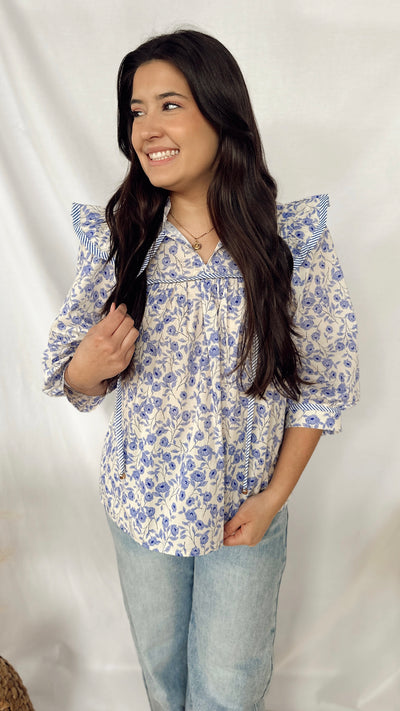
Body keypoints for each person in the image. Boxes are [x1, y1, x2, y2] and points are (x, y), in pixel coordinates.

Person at [42, 29, 359, 711]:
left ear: (221, 112)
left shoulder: (289, 243)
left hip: (244, 509)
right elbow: (71, 377)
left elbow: (325, 382)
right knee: (163, 680)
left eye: (170, 105)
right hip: (142, 504)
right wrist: (87, 368)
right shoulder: (120, 241)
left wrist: (273, 497)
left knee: (229, 688)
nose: (146, 129)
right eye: (136, 111)